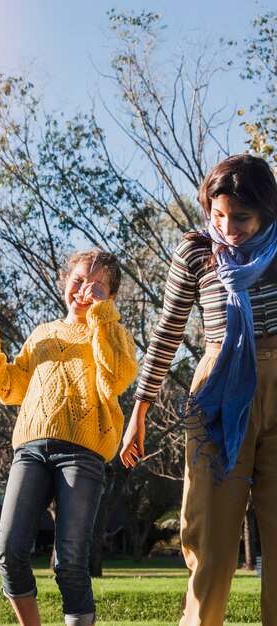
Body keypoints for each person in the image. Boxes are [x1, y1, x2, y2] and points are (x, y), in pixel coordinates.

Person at [120, 154, 277, 626]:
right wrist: (140, 409)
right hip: (218, 394)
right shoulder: (194, 251)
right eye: (219, 214)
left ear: (267, 210)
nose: (229, 228)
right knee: (209, 540)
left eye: (242, 217)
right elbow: (167, 330)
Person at [0, 247, 137, 626]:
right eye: (78, 281)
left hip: (83, 455)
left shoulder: (113, 334)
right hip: (30, 451)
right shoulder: (43, 334)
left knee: (70, 561)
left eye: (98, 288)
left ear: (111, 298)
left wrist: (102, 318)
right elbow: (10, 387)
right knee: (8, 550)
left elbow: (116, 378)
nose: (84, 290)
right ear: (65, 282)